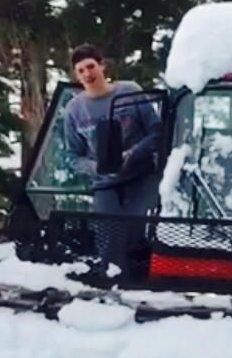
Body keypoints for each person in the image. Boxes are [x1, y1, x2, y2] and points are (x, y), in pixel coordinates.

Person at [63, 44, 160, 271]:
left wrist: (133, 153)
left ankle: (142, 289)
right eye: (81, 70)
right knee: (109, 244)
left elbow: (157, 131)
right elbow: (72, 156)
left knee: (140, 239)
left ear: (102, 65)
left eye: (91, 66)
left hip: (142, 177)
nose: (87, 74)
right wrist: (95, 167)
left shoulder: (129, 91)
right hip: (105, 184)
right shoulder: (74, 110)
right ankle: (110, 288)